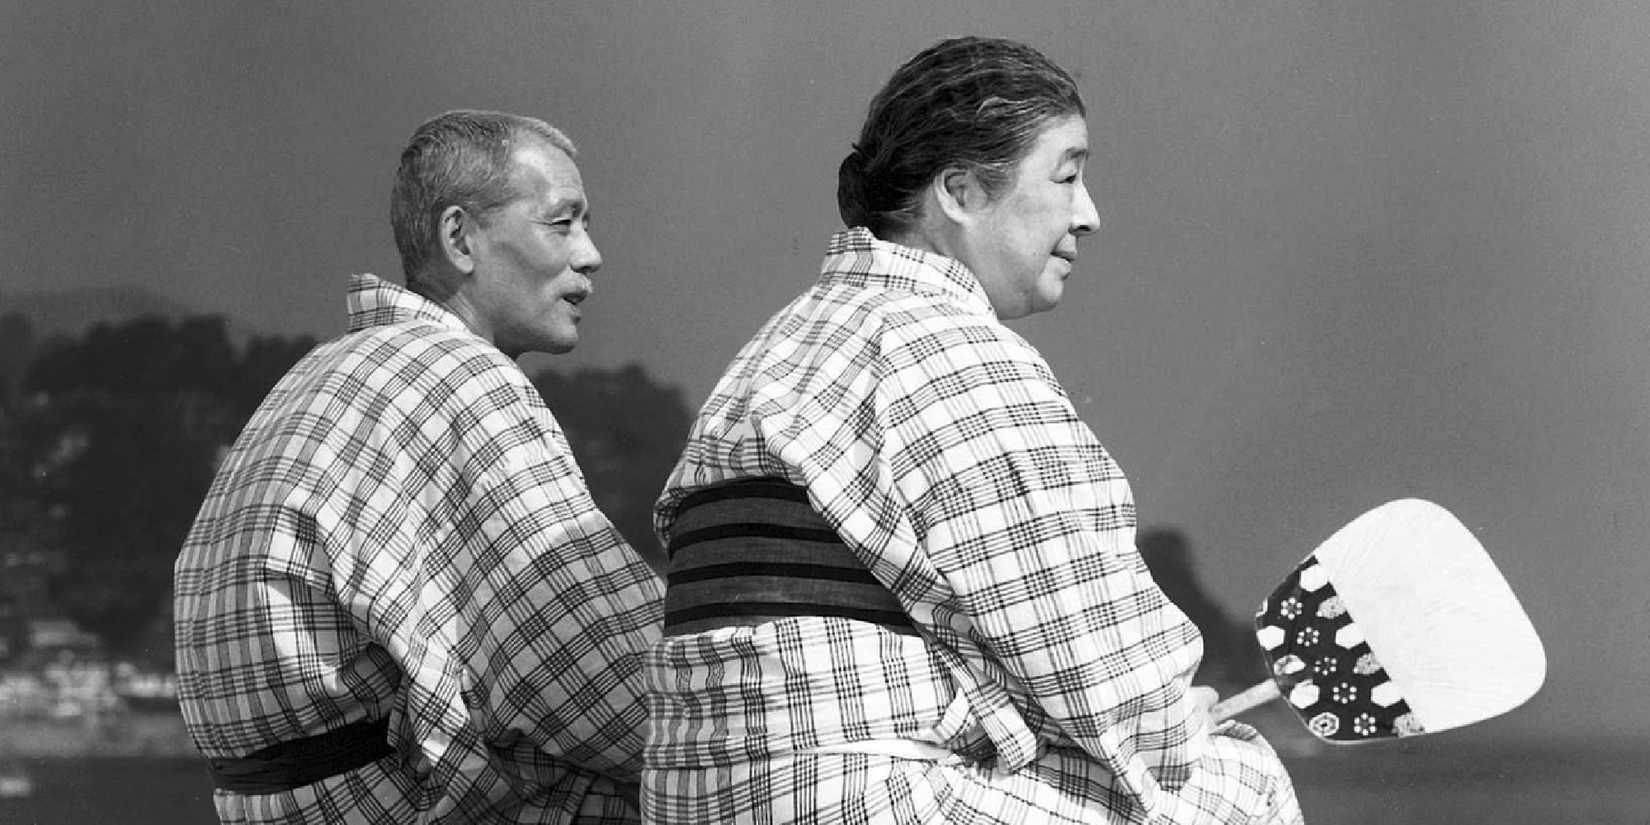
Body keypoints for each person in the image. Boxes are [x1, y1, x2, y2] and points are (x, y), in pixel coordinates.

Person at [642, 38, 1303, 823]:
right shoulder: (947, 347)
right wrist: (1170, 723)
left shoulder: (769, 355)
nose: (1089, 214)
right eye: (1067, 176)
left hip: (695, 798)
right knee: (1238, 781)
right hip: (855, 797)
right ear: (957, 190)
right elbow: (1096, 660)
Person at [173, 110, 663, 824]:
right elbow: (602, 676)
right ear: (460, 237)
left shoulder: (315, 376)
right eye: (562, 224)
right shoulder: (463, 380)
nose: (591, 254)